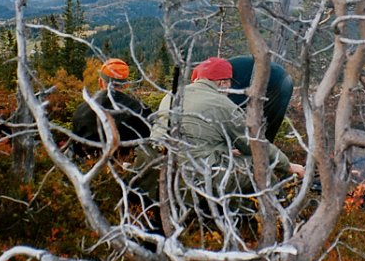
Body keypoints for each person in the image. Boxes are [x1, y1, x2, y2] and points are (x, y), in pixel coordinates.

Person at [153, 57, 304, 209]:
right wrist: (288, 166)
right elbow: (254, 143)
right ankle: (279, 213)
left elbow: (185, 138)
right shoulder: (221, 103)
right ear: (222, 82)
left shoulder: (170, 96)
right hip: (198, 174)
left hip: (160, 168)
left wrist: (224, 151)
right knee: (262, 171)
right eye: (229, 83)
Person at [70, 58, 151, 159]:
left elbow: (76, 149)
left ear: (101, 82)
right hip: (129, 170)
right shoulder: (141, 110)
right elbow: (148, 147)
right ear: (125, 85)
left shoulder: (81, 110)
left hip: (91, 168)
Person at [224, 55, 293, 142]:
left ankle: (257, 150)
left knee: (261, 131)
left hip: (277, 83)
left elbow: (232, 111)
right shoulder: (217, 72)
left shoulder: (220, 80)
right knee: (261, 131)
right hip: (279, 77)